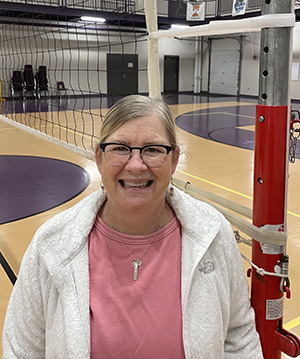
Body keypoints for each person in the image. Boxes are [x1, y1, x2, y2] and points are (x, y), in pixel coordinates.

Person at [2, 95, 263, 359]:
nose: (136, 165)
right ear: (100, 158)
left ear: (174, 160)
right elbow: (22, 350)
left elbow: (239, 337)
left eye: (152, 149)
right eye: (119, 148)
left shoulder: (213, 233)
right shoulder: (52, 244)